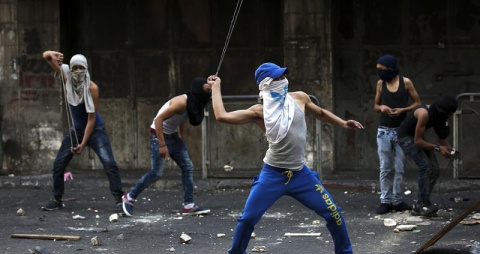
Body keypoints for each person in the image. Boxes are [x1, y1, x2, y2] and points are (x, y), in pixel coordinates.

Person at [207, 62, 363, 254]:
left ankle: (345, 252)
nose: (283, 81)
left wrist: (343, 123)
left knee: (333, 214)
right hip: (273, 174)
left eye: (283, 76)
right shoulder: (259, 111)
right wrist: (216, 87)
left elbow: (321, 113)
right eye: (277, 78)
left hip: (300, 175)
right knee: (247, 219)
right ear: (265, 84)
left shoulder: (300, 98)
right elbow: (222, 116)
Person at [41, 51, 125, 211]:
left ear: (86, 68)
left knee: (109, 163)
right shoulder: (67, 78)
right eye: (75, 68)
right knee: (59, 163)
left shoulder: (92, 88)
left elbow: (91, 119)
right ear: (70, 69)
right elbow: (46, 57)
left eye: (81, 67)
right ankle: (57, 199)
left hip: (95, 129)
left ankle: (119, 200)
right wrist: (51, 54)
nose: (78, 71)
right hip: (77, 129)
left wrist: (83, 144)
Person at [122, 77, 212, 217]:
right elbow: (158, 120)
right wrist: (162, 144)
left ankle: (188, 205)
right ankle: (129, 197)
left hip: (173, 136)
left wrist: (181, 136)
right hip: (159, 135)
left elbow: (181, 118)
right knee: (156, 173)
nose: (210, 93)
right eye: (207, 89)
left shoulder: (194, 102)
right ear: (199, 89)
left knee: (187, 168)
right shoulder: (182, 102)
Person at [373, 54, 421, 214]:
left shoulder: (406, 82)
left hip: (401, 131)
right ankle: (385, 201)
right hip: (384, 131)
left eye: (382, 69)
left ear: (391, 69)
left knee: (400, 168)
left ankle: (397, 200)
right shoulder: (380, 83)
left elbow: (417, 103)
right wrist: (382, 108)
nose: (379, 72)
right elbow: (375, 105)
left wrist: (403, 110)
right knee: (385, 168)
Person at [397, 94, 458, 217]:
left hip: (417, 138)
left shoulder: (439, 116)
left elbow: (442, 139)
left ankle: (419, 205)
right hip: (406, 138)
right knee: (425, 166)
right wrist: (438, 148)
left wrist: (450, 149)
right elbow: (417, 141)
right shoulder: (424, 114)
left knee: (435, 170)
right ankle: (423, 204)